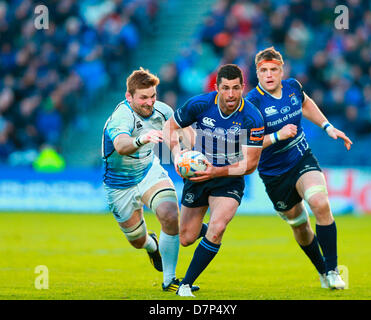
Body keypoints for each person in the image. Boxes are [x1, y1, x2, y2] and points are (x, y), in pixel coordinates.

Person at [245, 47, 353, 289]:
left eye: (274, 69)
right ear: (258, 74)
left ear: (282, 71)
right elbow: (245, 143)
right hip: (274, 174)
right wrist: (276, 136)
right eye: (264, 70)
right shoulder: (252, 103)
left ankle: (334, 271)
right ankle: (323, 272)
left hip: (301, 158)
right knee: (301, 226)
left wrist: (328, 127)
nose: (269, 74)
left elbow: (306, 103)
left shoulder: (293, 86)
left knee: (320, 203)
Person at [163, 64, 265, 297]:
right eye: (226, 88)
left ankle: (186, 284)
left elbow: (249, 165)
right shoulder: (200, 104)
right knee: (187, 237)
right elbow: (170, 126)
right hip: (198, 175)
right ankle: (207, 233)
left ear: (243, 87)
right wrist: (178, 155)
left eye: (236, 88)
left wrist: (215, 172)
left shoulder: (252, 117)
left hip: (229, 178)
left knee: (218, 228)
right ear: (217, 87)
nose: (231, 94)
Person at [101, 67, 198, 292]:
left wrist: (181, 153)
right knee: (136, 240)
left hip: (147, 171)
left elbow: (181, 134)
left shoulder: (162, 110)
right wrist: (142, 138)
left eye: (152, 96)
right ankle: (151, 245)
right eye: (143, 97)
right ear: (129, 97)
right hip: (118, 184)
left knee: (170, 213)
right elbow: (121, 146)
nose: (149, 102)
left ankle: (169, 279)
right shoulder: (121, 117)